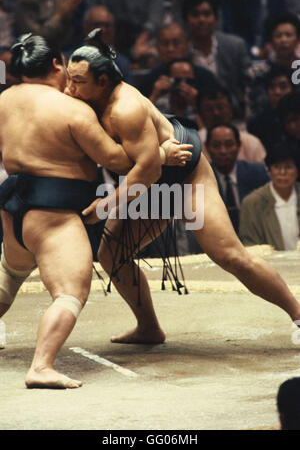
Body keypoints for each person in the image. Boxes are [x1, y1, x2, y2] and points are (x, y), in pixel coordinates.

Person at [67, 29, 300, 345]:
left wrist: (107, 205)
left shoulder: (126, 108)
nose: (69, 88)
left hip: (185, 175)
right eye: (69, 78)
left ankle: (298, 316)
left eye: (77, 81)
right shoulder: (82, 96)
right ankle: (149, 327)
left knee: (230, 255)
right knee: (112, 255)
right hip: (151, 175)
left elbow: (147, 169)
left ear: (103, 82)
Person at [0, 32, 192, 388]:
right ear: (57, 64)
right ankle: (41, 366)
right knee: (71, 292)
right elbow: (120, 162)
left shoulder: (4, 100)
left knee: (10, 276)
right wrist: (161, 154)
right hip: (53, 212)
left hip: (12, 207)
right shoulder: (72, 109)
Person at [182, 0, 251, 117]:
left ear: (216, 18)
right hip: (194, 118)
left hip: (233, 116)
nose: (201, 20)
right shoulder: (181, 51)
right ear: (186, 20)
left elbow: (247, 87)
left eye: (207, 14)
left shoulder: (235, 46)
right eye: (195, 14)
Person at [206, 123, 269, 233]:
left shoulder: (257, 173)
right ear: (207, 147)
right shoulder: (200, 178)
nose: (223, 151)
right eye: (216, 145)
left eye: (229, 144)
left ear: (239, 145)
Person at [239, 145, 300, 251]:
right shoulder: (252, 203)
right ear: (269, 170)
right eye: (277, 167)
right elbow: (250, 245)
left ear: (297, 171)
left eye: (288, 167)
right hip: (270, 265)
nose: (282, 173)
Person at [138, 22, 216, 100]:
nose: (170, 49)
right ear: (157, 47)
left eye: (176, 43)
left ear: (187, 45)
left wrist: (199, 101)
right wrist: (154, 96)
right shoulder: (148, 81)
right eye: (165, 44)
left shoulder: (206, 78)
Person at [246, 12, 300, 117]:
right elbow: (253, 108)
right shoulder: (256, 72)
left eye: (288, 35)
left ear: (298, 40)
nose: (283, 40)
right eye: (278, 36)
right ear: (270, 41)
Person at [196, 84, 267, 163]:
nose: (216, 113)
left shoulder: (251, 142)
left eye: (221, 107)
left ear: (231, 109)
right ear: (199, 114)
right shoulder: (191, 145)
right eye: (209, 109)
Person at [14, 0, 83, 51]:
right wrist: (58, 16)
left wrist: (69, 13)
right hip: (34, 51)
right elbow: (34, 38)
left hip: (60, 47)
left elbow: (66, 35)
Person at [247, 65, 295, 153]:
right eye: (272, 87)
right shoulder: (256, 123)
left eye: (283, 87)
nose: (277, 92)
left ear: (292, 89)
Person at [83, 5, 134, 85]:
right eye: (97, 25)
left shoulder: (122, 64)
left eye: (107, 25)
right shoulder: (70, 59)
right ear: (86, 28)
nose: (103, 30)